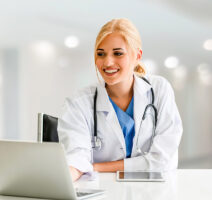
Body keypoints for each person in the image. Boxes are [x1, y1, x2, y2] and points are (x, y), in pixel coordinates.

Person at [57, 18, 183, 181]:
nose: (108, 62)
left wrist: (96, 167)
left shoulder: (158, 90)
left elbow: (163, 160)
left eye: (118, 53)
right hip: (104, 193)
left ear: (137, 55)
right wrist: (69, 173)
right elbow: (76, 160)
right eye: (100, 54)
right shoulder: (78, 103)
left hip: (153, 193)